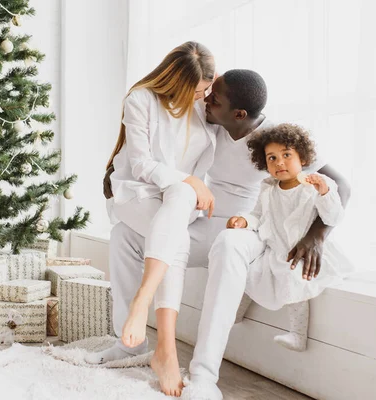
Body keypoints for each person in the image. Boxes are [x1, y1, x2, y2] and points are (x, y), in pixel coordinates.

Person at [100, 70, 351, 400]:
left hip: (251, 228)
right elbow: (152, 145)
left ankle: (204, 375)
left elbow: (340, 185)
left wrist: (317, 236)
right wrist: (117, 173)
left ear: (239, 114)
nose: (206, 100)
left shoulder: (274, 138)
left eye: (214, 98)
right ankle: (130, 344)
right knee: (125, 235)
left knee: (228, 243)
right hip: (204, 221)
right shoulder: (208, 122)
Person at [85, 41, 216, 398]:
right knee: (177, 229)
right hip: (136, 193)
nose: (204, 95)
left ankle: (131, 343)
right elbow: (141, 165)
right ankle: (166, 350)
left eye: (207, 89)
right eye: (200, 89)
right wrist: (188, 181)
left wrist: (189, 187)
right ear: (179, 82)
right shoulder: (141, 99)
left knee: (126, 239)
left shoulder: (205, 108)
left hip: (175, 204)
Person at [225, 123, 354, 353]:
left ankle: (297, 334)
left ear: (302, 158)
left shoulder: (313, 186)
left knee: (294, 277)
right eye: (272, 158)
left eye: (286, 155)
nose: (279, 162)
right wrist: (244, 221)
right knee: (249, 274)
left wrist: (325, 192)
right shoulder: (268, 188)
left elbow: (333, 216)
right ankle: (232, 315)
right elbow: (258, 215)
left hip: (299, 252)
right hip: (275, 247)